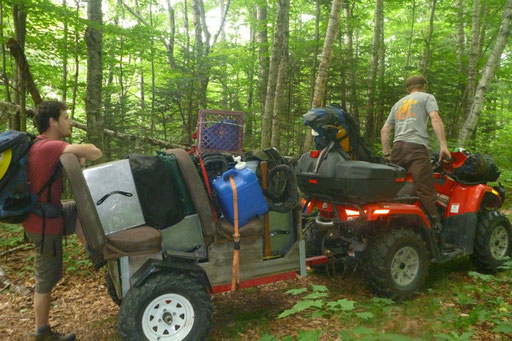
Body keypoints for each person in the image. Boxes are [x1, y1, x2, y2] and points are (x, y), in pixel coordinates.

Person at [21, 101, 102, 341]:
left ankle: (97, 253)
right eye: (66, 118)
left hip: (47, 215)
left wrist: (73, 157)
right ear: (53, 122)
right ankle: (41, 333)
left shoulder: (40, 146)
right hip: (43, 225)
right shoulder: (49, 146)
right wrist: (77, 151)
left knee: (78, 211)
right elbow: (95, 152)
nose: (70, 122)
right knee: (45, 279)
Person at [380, 75, 451, 248]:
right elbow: (435, 119)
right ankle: (438, 239)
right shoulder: (427, 98)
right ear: (424, 86)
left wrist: (387, 153)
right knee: (426, 191)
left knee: (395, 189)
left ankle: (389, 229)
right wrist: (443, 146)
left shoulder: (398, 104)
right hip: (417, 148)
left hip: (398, 149)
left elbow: (385, 130)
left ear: (407, 88)